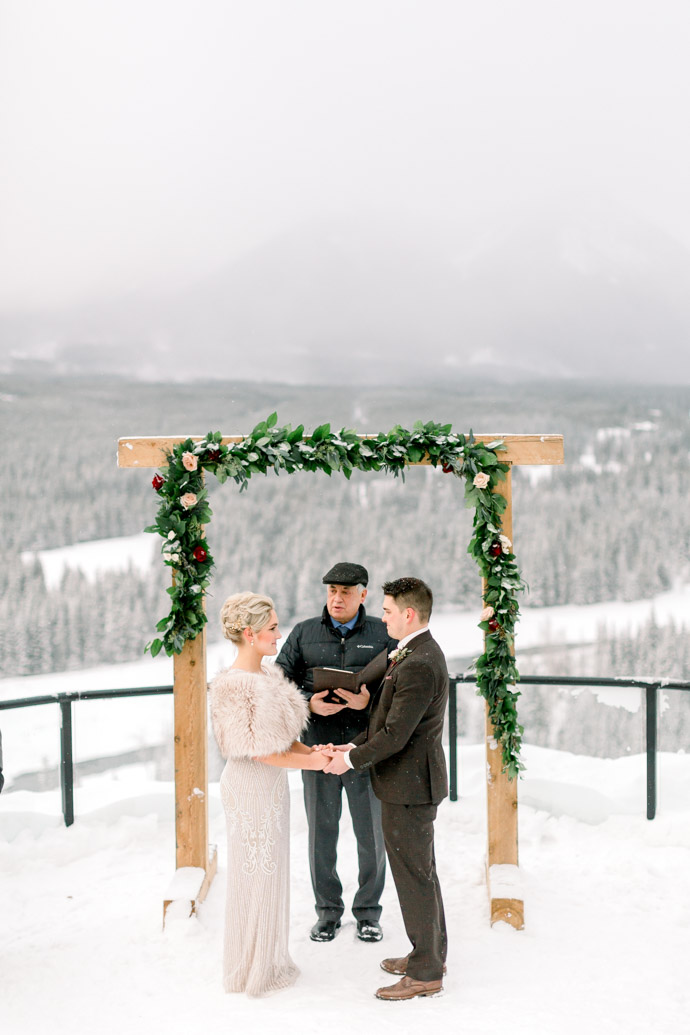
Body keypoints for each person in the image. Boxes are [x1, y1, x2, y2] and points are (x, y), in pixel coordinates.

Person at [322, 577, 449, 1001]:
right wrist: (351, 744)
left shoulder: (419, 662)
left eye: (388, 610)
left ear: (409, 615)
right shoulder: (413, 652)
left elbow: (395, 734)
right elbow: (382, 720)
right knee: (421, 873)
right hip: (408, 783)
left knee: (414, 877)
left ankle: (426, 971)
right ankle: (428, 954)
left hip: (410, 787)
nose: (382, 615)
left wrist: (348, 760)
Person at [209, 592, 329, 997]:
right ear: (249, 633)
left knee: (272, 868)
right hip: (249, 787)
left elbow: (283, 740)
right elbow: (260, 751)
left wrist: (314, 752)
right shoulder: (232, 687)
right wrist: (314, 765)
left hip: (274, 786)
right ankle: (250, 967)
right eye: (273, 628)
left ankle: (271, 958)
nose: (280, 635)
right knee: (254, 873)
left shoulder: (269, 677)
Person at [275, 561, 397, 943]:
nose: (337, 598)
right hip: (318, 751)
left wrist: (367, 704)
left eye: (346, 591)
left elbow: (399, 689)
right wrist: (309, 704)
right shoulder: (303, 633)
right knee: (321, 836)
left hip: (364, 751)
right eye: (331, 590)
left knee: (371, 836)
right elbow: (279, 685)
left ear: (364, 594)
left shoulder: (384, 633)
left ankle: (367, 913)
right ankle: (327, 913)